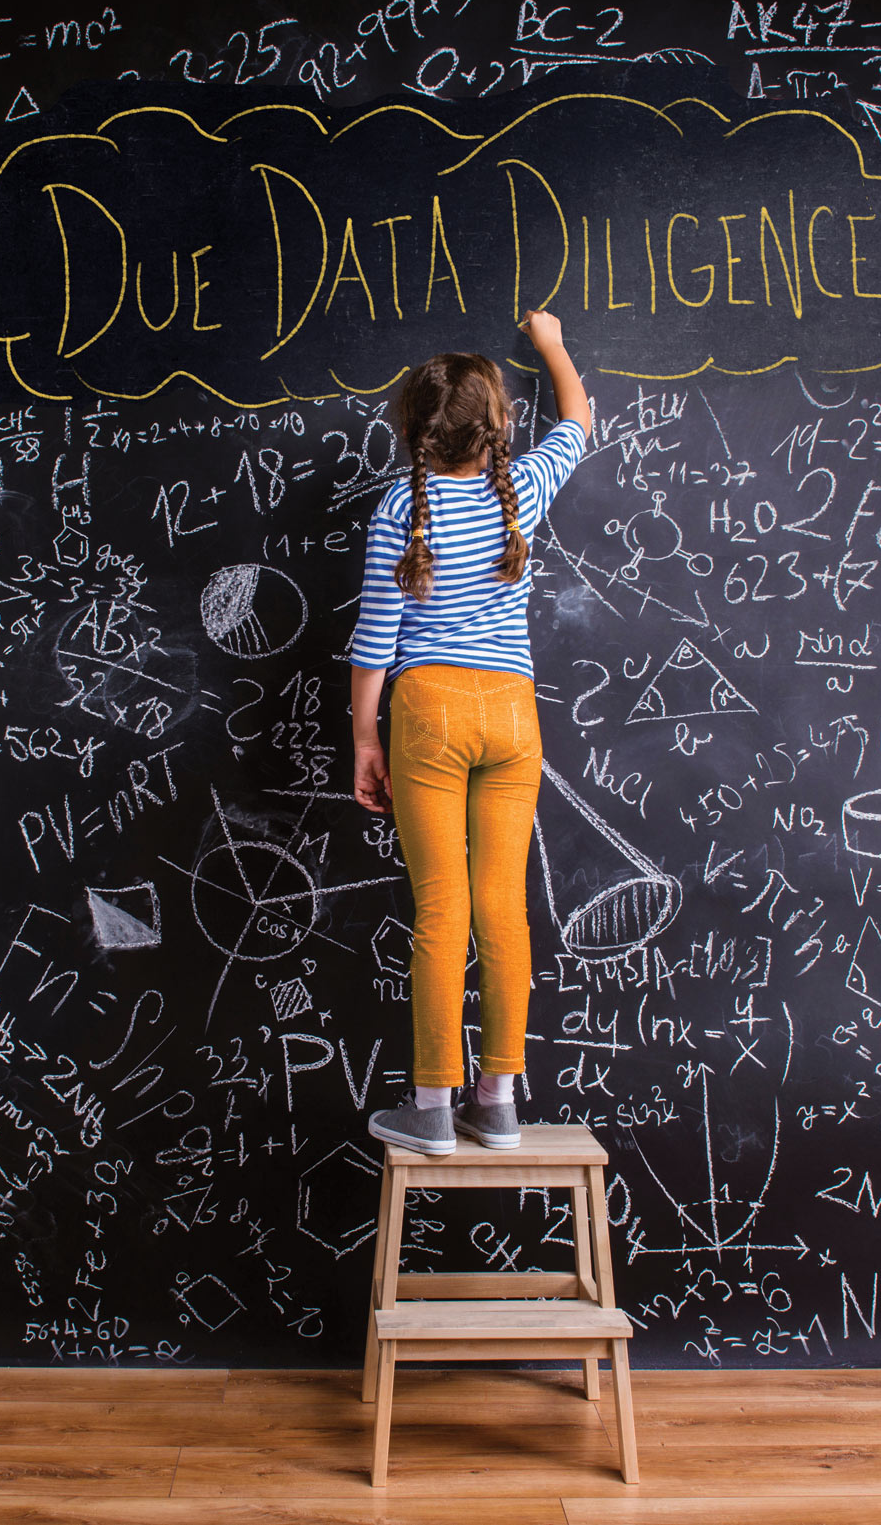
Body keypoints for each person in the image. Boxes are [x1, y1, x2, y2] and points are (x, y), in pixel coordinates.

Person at [350, 311, 591, 1155]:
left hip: (429, 712)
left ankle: (429, 1110)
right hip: (513, 713)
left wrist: (366, 744)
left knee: (441, 907)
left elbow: (375, 642)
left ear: (412, 431)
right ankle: (498, 1102)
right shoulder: (519, 490)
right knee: (503, 908)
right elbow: (578, 423)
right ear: (498, 431)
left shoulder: (397, 509)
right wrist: (553, 346)